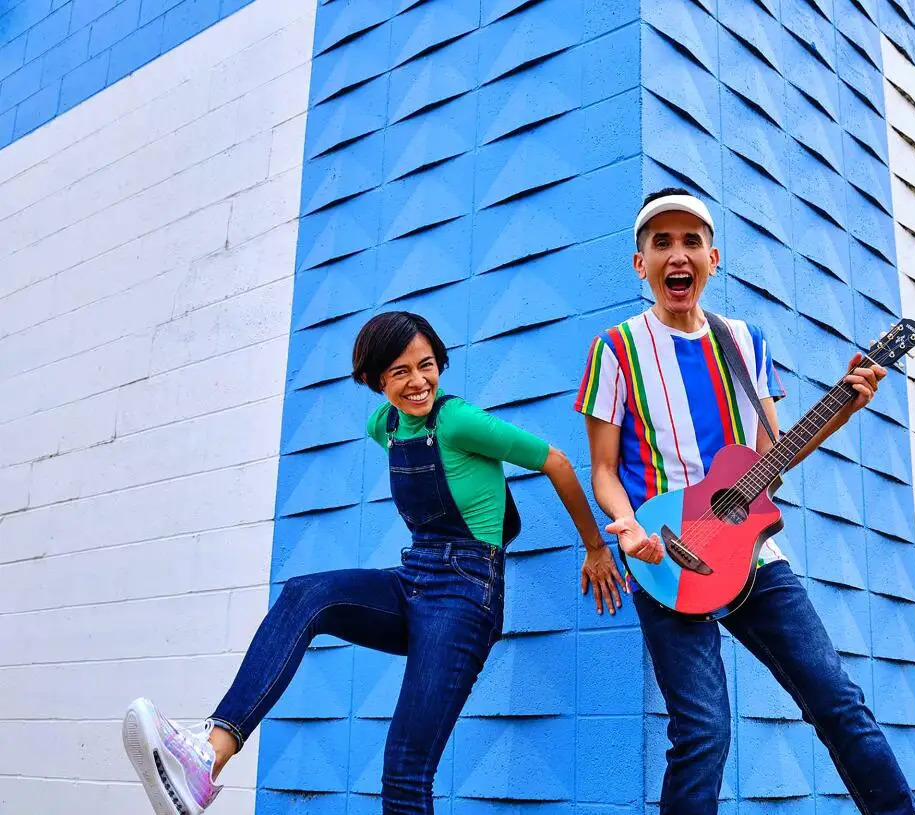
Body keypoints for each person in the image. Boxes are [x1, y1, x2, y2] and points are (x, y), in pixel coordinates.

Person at [122, 311, 631, 815]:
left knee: (405, 770)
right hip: (414, 578)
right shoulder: (383, 425)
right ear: (374, 379)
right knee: (305, 593)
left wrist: (594, 547)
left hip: (465, 594)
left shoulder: (457, 420)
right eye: (399, 372)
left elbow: (557, 462)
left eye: (426, 365)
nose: (418, 382)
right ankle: (210, 756)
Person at [575, 188, 915, 815]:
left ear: (713, 258)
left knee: (839, 703)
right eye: (661, 243)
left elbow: (775, 452)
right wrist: (626, 529)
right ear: (640, 264)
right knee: (703, 733)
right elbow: (603, 470)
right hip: (664, 555)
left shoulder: (745, 342)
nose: (676, 255)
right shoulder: (616, 349)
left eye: (690, 242)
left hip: (755, 555)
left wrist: (848, 403)